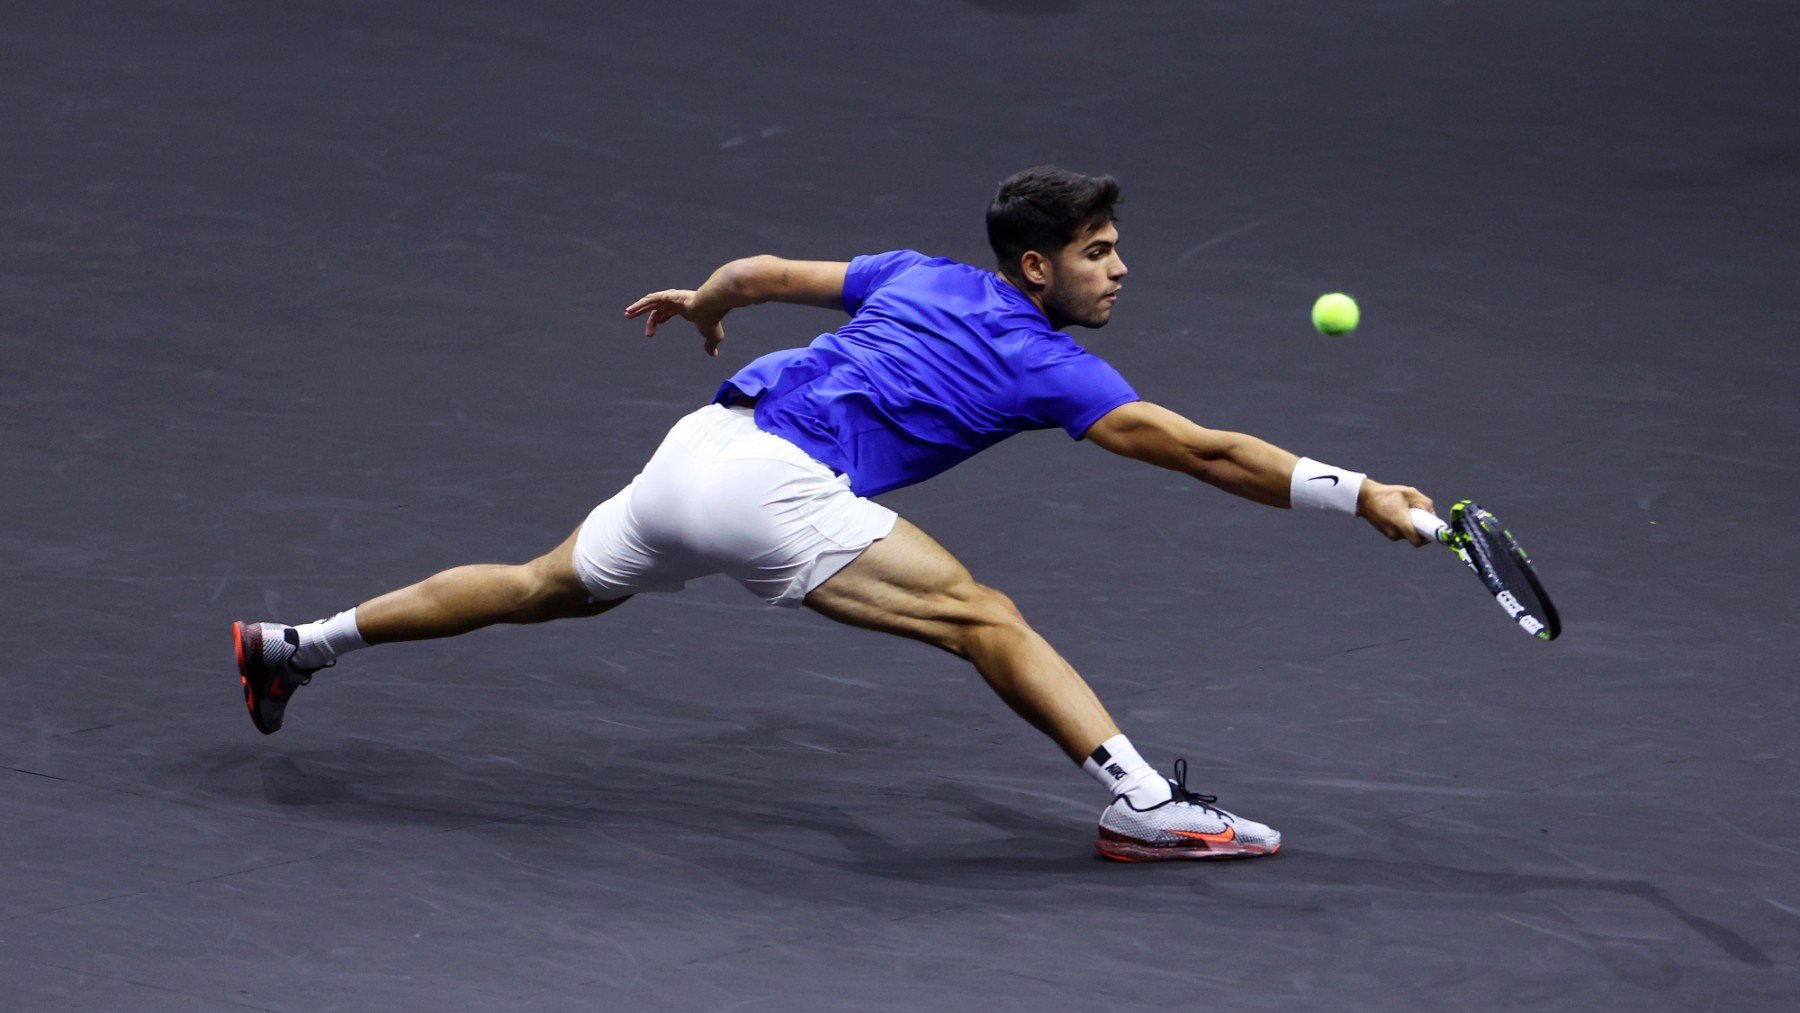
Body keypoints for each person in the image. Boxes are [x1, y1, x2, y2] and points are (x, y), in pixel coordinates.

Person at [233, 166, 1434, 862]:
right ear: (1037, 270)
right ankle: (1146, 804)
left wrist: (703, 309)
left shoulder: (917, 272)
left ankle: (299, 645)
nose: (1120, 270)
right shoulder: (1047, 365)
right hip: (772, 488)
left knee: (543, 582)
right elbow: (1201, 450)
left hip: (698, 445)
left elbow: (755, 275)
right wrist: (1361, 494)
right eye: (1099, 252)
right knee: (985, 617)